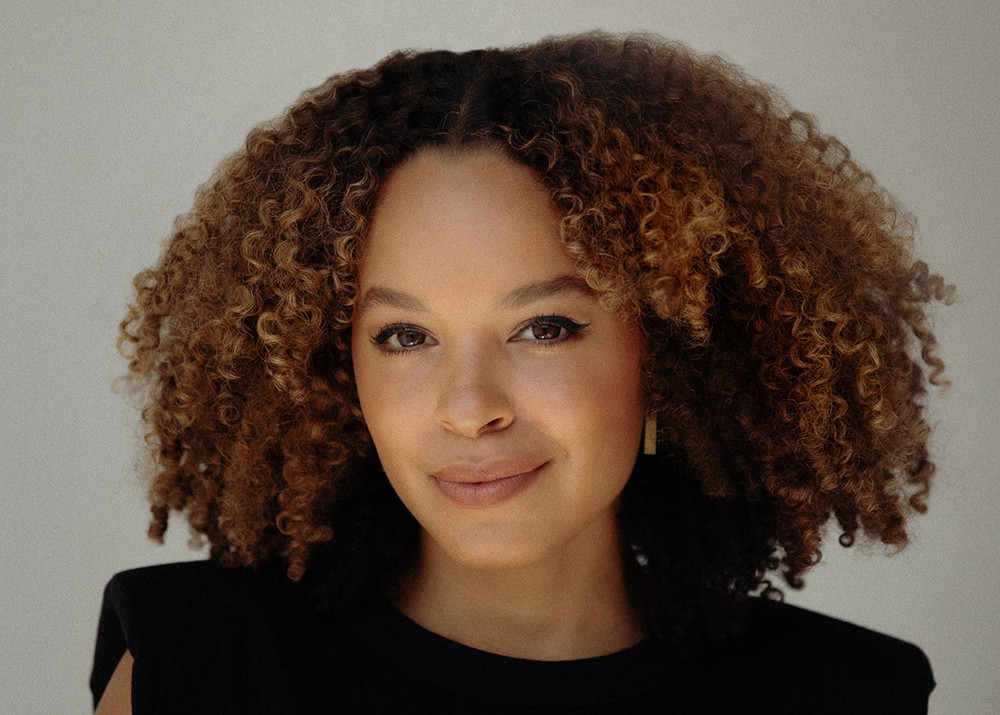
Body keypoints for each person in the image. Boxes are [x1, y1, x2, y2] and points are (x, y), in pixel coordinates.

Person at [91, 31, 950, 713]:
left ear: (669, 353)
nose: (469, 409)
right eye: (402, 336)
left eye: (544, 327)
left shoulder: (844, 694)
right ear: (333, 365)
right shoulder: (197, 668)